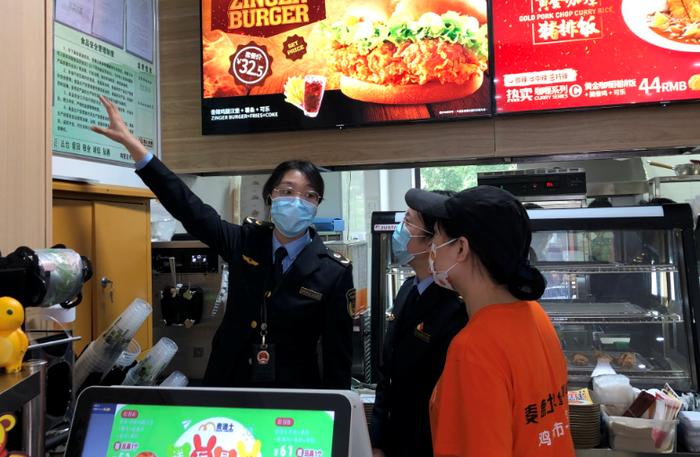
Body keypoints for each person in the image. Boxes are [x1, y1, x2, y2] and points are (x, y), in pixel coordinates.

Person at [91, 96, 354, 388]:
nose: (297, 201)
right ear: (270, 196)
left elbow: (337, 357)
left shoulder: (333, 271)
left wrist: (337, 415)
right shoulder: (245, 241)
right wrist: (137, 150)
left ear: (317, 204)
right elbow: (190, 209)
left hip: (292, 397)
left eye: (309, 195)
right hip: (229, 382)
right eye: (287, 191)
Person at [405, 186, 575, 457]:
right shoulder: (535, 315)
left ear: (461, 248)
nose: (432, 247)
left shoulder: (473, 349)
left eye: (436, 235)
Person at [371, 191, 468, 457]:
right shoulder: (407, 291)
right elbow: (387, 376)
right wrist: (378, 441)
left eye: (408, 222)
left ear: (434, 239)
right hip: (394, 441)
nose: (400, 231)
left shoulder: (456, 308)